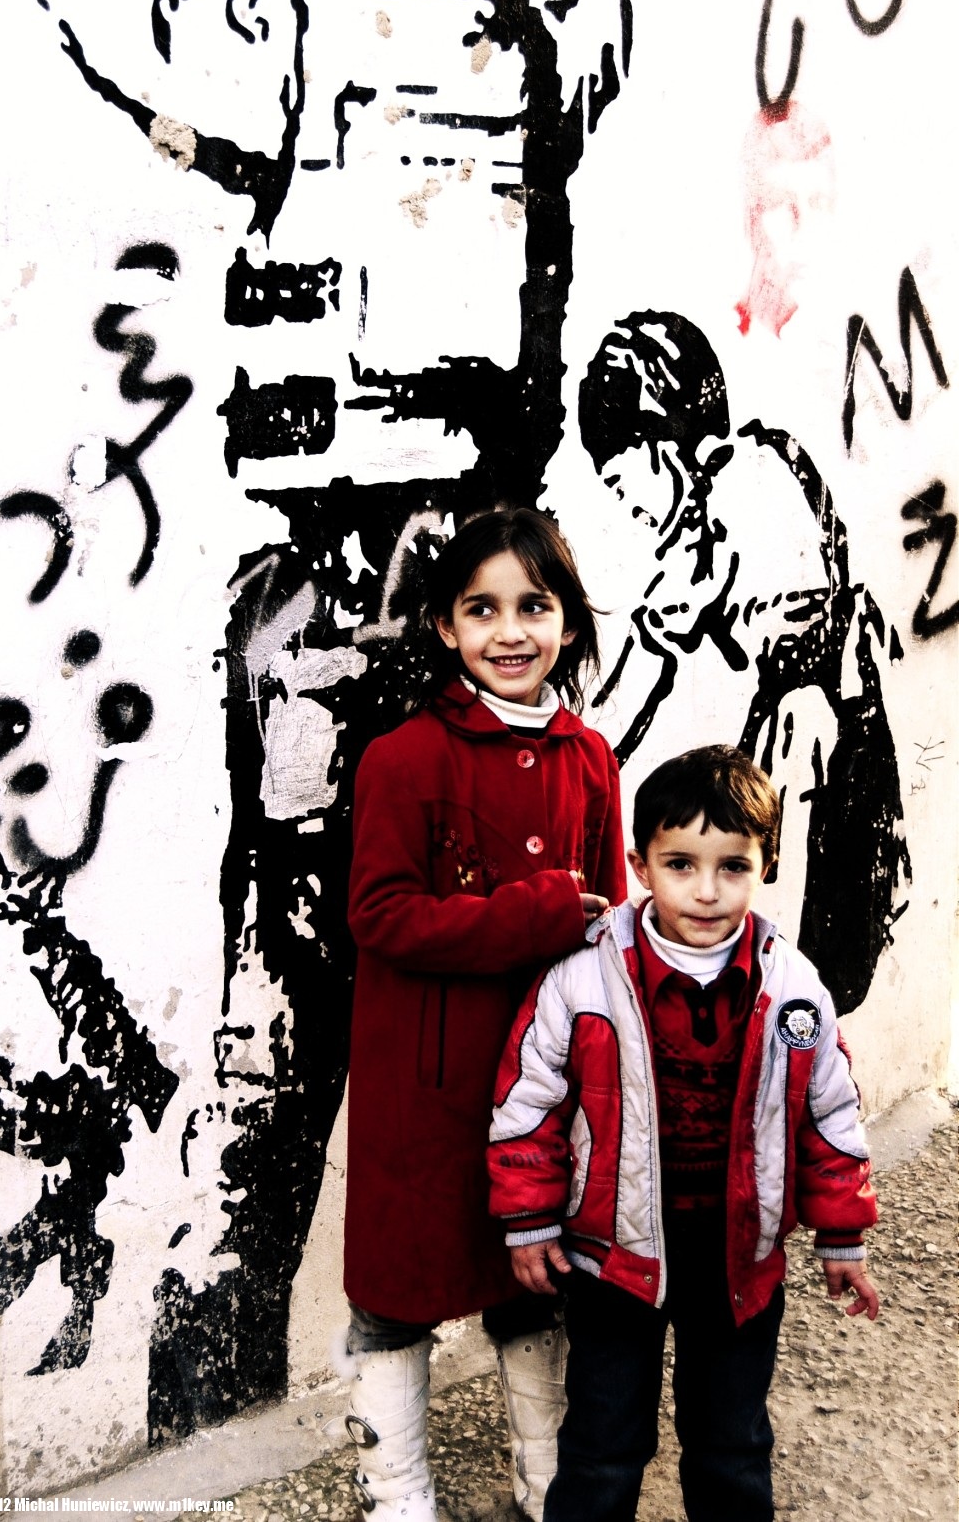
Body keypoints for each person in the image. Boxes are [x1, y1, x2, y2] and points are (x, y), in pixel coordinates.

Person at [488, 744, 878, 1522]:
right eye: (680, 864)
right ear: (639, 864)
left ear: (765, 863)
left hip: (739, 1254)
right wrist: (528, 1219)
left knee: (731, 1442)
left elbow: (831, 1115)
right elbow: (528, 1102)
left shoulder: (793, 987)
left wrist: (842, 1235)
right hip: (614, 1254)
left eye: (732, 865)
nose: (706, 890)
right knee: (602, 1443)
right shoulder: (584, 975)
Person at [341, 507, 627, 1521]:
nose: (510, 632)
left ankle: (544, 1481)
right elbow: (376, 913)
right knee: (393, 1297)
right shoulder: (403, 758)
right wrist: (529, 914)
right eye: (481, 609)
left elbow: (609, 929)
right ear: (444, 629)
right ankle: (396, 1492)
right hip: (420, 1086)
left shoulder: (590, 758)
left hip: (539, 1081)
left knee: (532, 1281)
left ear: (566, 622)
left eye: (533, 606)